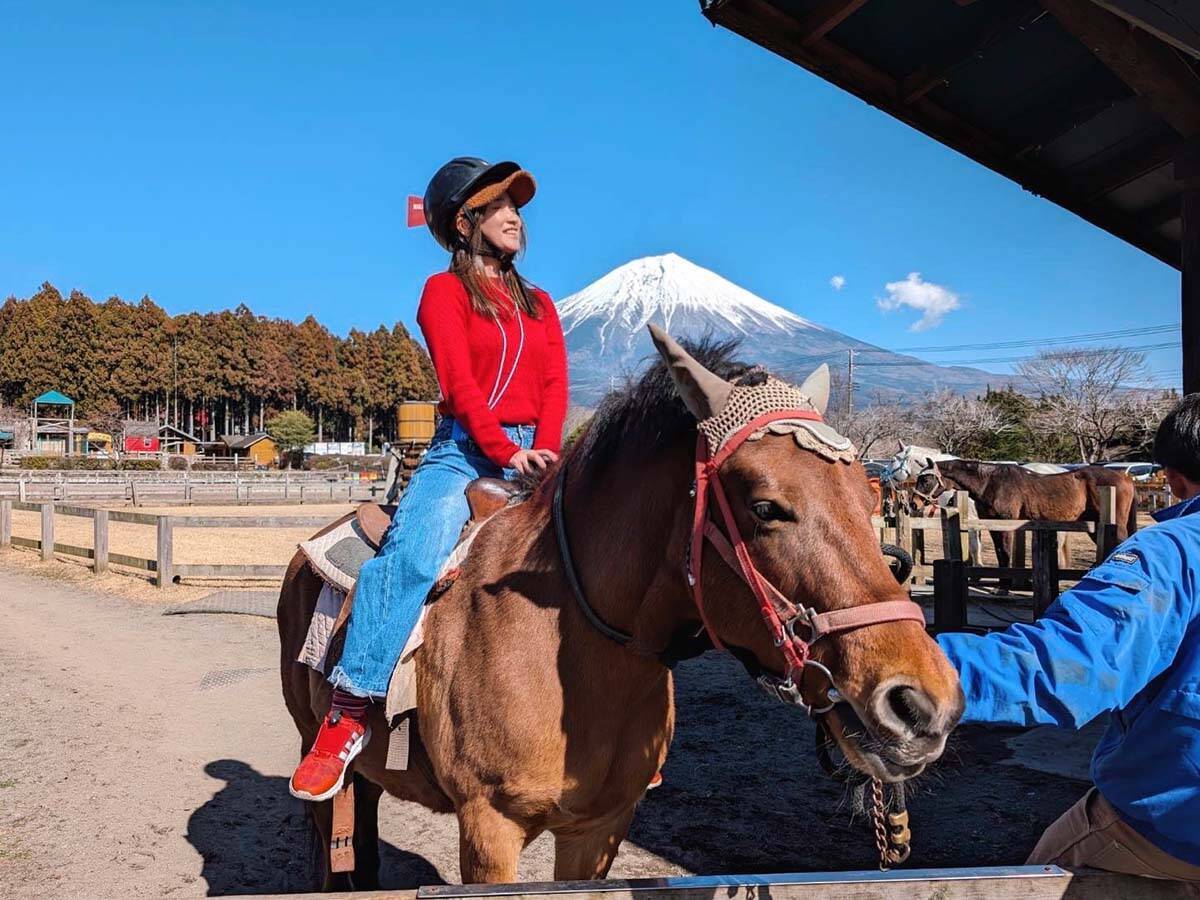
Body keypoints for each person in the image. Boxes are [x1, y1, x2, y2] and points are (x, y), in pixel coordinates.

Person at [290, 157, 569, 802]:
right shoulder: (441, 295)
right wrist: (505, 451)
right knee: (413, 554)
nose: (514, 218)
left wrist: (547, 450)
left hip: (539, 450)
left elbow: (555, 382)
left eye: (518, 208)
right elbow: (462, 388)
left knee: (605, 544)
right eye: (500, 207)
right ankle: (350, 711)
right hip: (465, 450)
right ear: (463, 223)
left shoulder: (542, 304)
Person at [937, 394, 1200, 881]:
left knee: (1039, 877)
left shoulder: (1171, 553)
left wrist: (918, 664)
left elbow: (1075, 666)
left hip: (1177, 821)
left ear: (1174, 478)